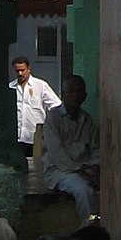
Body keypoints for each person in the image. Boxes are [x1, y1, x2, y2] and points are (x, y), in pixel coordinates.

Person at [41, 74, 101, 222]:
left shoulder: (87, 119)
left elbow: (95, 150)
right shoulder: (53, 118)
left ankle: (98, 225)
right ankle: (89, 229)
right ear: (62, 93)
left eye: (79, 91)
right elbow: (57, 153)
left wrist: (95, 168)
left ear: (85, 96)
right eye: (71, 91)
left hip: (85, 170)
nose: (75, 95)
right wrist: (81, 172)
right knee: (85, 191)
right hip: (59, 171)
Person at [10, 56, 60, 155]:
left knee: (37, 165)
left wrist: (51, 128)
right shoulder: (11, 87)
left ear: (28, 69)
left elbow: (56, 106)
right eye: (17, 71)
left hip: (35, 137)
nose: (20, 73)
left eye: (22, 70)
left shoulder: (40, 85)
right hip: (16, 138)